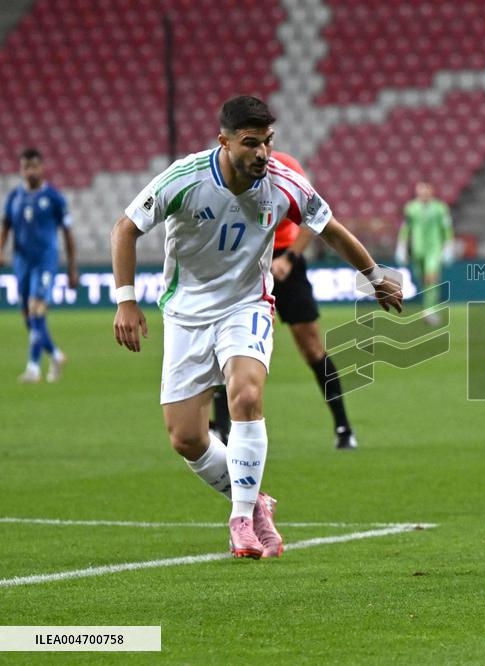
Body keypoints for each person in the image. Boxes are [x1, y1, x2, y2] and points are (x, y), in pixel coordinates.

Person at [111, 96, 402, 560]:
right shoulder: (185, 179)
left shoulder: (284, 184)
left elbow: (331, 229)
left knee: (245, 395)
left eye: (268, 141)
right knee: (186, 438)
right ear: (223, 141)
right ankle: (254, 500)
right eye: (250, 143)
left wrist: (374, 277)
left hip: (247, 305)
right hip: (185, 314)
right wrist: (126, 302)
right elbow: (125, 228)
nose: (262, 153)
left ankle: (241, 520)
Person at [211, 151, 358, 451]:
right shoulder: (222, 169)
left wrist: (289, 258)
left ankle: (343, 427)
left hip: (284, 261)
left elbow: (313, 220)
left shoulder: (286, 167)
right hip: (243, 263)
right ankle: (222, 431)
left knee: (311, 347)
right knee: (226, 346)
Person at [0, 148, 78, 383]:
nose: (30, 171)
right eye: (26, 167)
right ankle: (55, 354)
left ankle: (33, 368)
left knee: (36, 308)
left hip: (45, 261)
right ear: (21, 168)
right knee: (28, 316)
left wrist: (72, 268)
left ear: (42, 167)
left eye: (34, 166)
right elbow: (5, 228)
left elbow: (68, 233)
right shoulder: (14, 197)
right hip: (22, 262)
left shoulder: (54, 198)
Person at [395, 182, 453, 323]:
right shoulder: (411, 208)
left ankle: (430, 310)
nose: (423, 194)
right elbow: (406, 228)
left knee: (431, 277)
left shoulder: (440, 208)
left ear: (431, 192)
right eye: (421, 191)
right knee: (422, 279)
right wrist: (401, 246)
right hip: (417, 250)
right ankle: (429, 305)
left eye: (426, 191)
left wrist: (449, 245)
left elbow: (446, 228)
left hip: (434, 249)